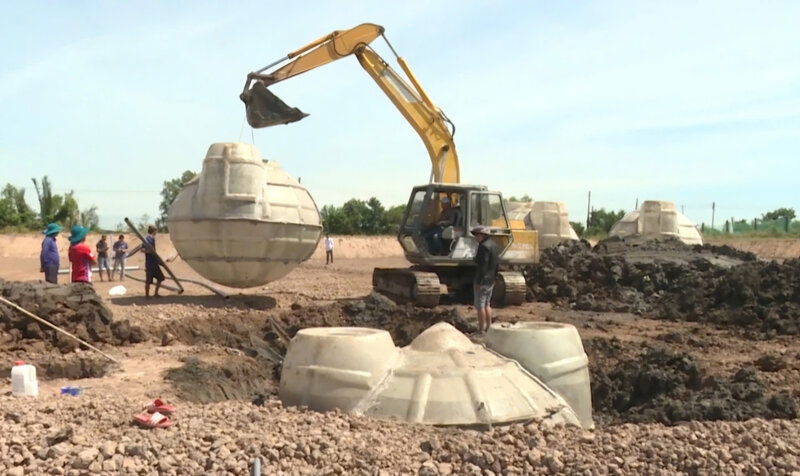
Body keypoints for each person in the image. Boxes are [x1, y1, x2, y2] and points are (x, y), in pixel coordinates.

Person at [472, 225, 499, 333]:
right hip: (491, 279)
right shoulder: (494, 245)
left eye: (476, 235)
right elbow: (497, 264)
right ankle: (489, 327)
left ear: (482, 235)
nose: (475, 237)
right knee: (487, 304)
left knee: (480, 306)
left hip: (483, 281)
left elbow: (482, 266)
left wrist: (478, 281)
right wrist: (495, 277)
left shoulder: (483, 247)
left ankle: (481, 329)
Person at [144, 225, 165, 297]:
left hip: (154, 262)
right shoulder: (147, 239)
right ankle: (147, 295)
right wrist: (149, 251)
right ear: (154, 231)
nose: (156, 232)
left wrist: (158, 260)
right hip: (149, 263)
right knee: (148, 281)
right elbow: (142, 250)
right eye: (156, 231)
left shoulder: (152, 239)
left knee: (160, 278)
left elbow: (154, 251)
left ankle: (156, 293)